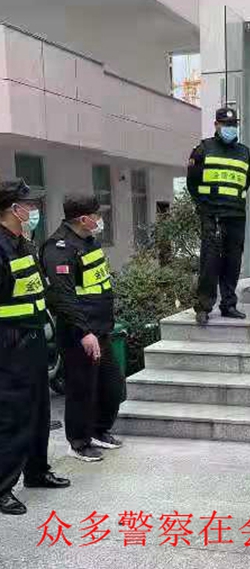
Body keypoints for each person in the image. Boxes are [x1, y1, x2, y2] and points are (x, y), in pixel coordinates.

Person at [0, 179, 70, 516]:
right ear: (13, 209)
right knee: (13, 414)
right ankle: (2, 488)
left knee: (40, 409)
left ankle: (37, 471)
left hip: (33, 338)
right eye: (27, 205)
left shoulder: (23, 243)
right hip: (9, 341)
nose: (32, 210)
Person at [41, 194, 125, 463]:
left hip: (100, 329)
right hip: (79, 333)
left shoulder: (89, 241)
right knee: (82, 390)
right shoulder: (59, 248)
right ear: (83, 219)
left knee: (112, 386)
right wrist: (85, 331)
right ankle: (78, 442)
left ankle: (98, 430)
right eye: (97, 215)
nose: (100, 219)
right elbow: (63, 297)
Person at [187, 107, 250, 326]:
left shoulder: (244, 152)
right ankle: (203, 306)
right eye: (226, 124)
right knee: (210, 261)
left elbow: (246, 182)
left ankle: (229, 305)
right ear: (216, 125)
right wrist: (205, 208)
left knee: (233, 262)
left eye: (233, 125)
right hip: (212, 215)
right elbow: (192, 183)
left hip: (236, 215)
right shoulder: (203, 149)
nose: (230, 128)